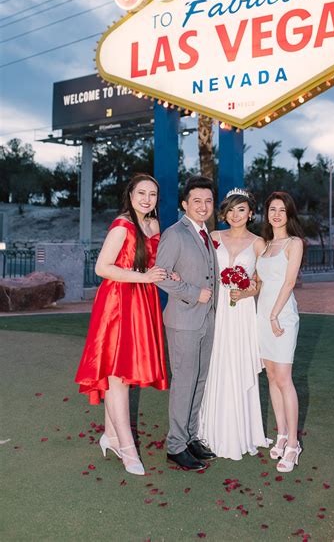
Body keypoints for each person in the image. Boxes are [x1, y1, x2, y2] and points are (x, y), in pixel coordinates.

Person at [75, 174, 170, 476]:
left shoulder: (154, 225)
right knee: (118, 375)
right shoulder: (122, 225)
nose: (146, 199)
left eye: (152, 194)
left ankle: (112, 436)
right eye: (141, 193)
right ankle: (128, 448)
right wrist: (143, 277)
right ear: (130, 195)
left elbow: (156, 264)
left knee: (123, 372)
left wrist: (170, 276)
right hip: (117, 302)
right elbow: (102, 268)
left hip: (143, 302)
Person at [199, 188, 271, 460]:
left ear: (251, 213)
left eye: (241, 209)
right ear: (224, 213)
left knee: (237, 365)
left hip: (241, 312)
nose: (235, 214)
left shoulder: (258, 243)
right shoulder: (213, 237)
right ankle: (208, 430)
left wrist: (247, 291)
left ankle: (242, 432)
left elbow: (262, 281)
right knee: (215, 363)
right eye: (230, 209)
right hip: (216, 310)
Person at [156, 176, 219, 471]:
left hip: (207, 320)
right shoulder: (174, 234)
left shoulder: (207, 234)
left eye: (208, 200)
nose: (203, 206)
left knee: (200, 380)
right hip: (183, 320)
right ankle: (176, 446)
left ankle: (191, 437)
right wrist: (195, 293)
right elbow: (162, 274)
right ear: (185, 204)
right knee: (184, 382)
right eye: (197, 201)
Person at [256, 191, 304, 474]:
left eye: (281, 210)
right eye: (272, 209)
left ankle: (294, 444)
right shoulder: (265, 246)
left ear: (289, 214)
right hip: (263, 316)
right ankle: (282, 434)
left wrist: (274, 315)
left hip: (282, 316)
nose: (276, 214)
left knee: (285, 378)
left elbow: (288, 283)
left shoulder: (293, 243)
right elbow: (260, 282)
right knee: (272, 377)